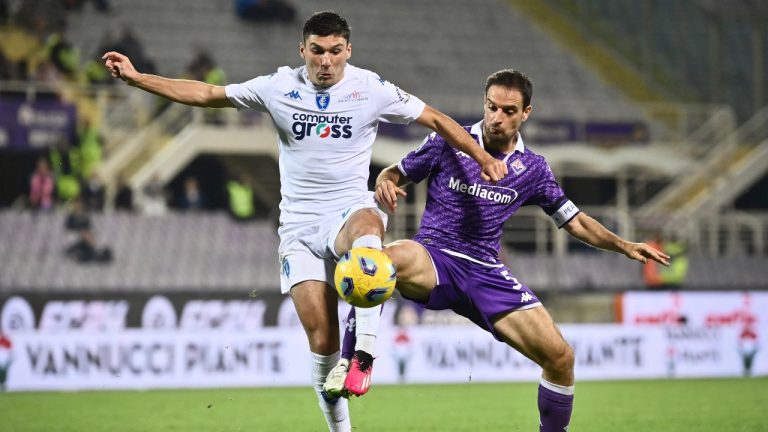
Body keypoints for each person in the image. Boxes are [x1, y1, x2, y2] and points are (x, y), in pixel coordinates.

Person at [102, 11, 507, 432]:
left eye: (335, 52)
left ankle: (365, 352)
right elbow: (206, 93)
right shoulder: (278, 86)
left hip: (349, 210)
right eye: (317, 51)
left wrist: (482, 159)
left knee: (370, 229)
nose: (326, 61)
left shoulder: (370, 88)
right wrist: (138, 78)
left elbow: (439, 121)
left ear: (348, 51)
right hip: (298, 229)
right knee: (322, 343)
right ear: (303, 50)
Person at [326, 69, 670, 432]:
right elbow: (395, 173)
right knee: (378, 262)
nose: (496, 117)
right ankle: (354, 359)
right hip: (434, 256)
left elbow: (576, 221)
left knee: (560, 358)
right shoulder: (449, 140)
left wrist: (624, 245)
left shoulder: (532, 169)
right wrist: (385, 182)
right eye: (491, 107)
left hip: (487, 271)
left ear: (526, 114)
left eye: (508, 111)